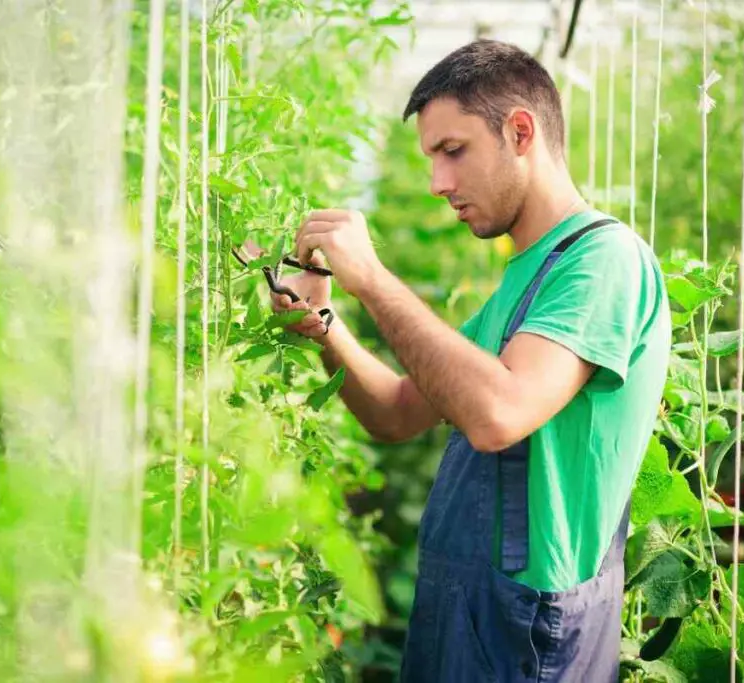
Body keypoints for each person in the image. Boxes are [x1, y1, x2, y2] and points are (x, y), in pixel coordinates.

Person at [270, 40, 671, 682]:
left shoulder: (604, 261)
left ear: (519, 131)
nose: (438, 184)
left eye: (452, 151)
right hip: (470, 616)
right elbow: (399, 411)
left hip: (528, 635)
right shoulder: (525, 278)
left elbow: (496, 413)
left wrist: (372, 279)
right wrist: (322, 325)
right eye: (431, 159)